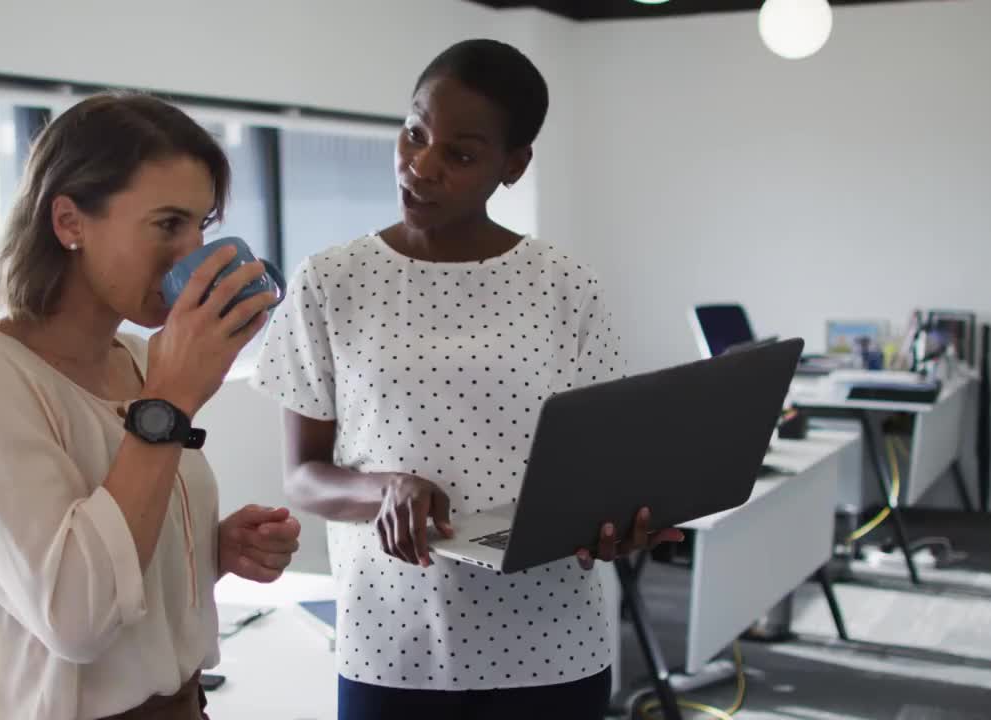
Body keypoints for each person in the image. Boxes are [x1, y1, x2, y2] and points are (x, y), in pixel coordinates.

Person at [251, 39, 681, 720]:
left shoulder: (567, 287)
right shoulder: (330, 281)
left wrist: (621, 523)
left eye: (459, 154)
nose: (420, 166)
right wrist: (383, 487)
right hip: (392, 645)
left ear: (512, 166)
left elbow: (602, 472)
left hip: (551, 644)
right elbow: (303, 475)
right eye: (415, 132)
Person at [0, 92, 301, 720]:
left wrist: (210, 554)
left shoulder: (141, 359)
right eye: (168, 224)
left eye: (204, 225)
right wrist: (171, 401)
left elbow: (122, 561)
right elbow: (75, 617)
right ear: (69, 223)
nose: (193, 253)